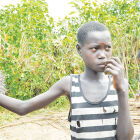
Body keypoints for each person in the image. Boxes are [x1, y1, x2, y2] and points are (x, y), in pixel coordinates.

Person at [0, 21, 134, 140]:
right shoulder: (70, 84)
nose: (102, 55)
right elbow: (23, 107)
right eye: (94, 48)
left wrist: (122, 90)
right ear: (79, 50)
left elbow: (126, 138)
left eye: (107, 48)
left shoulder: (119, 84)